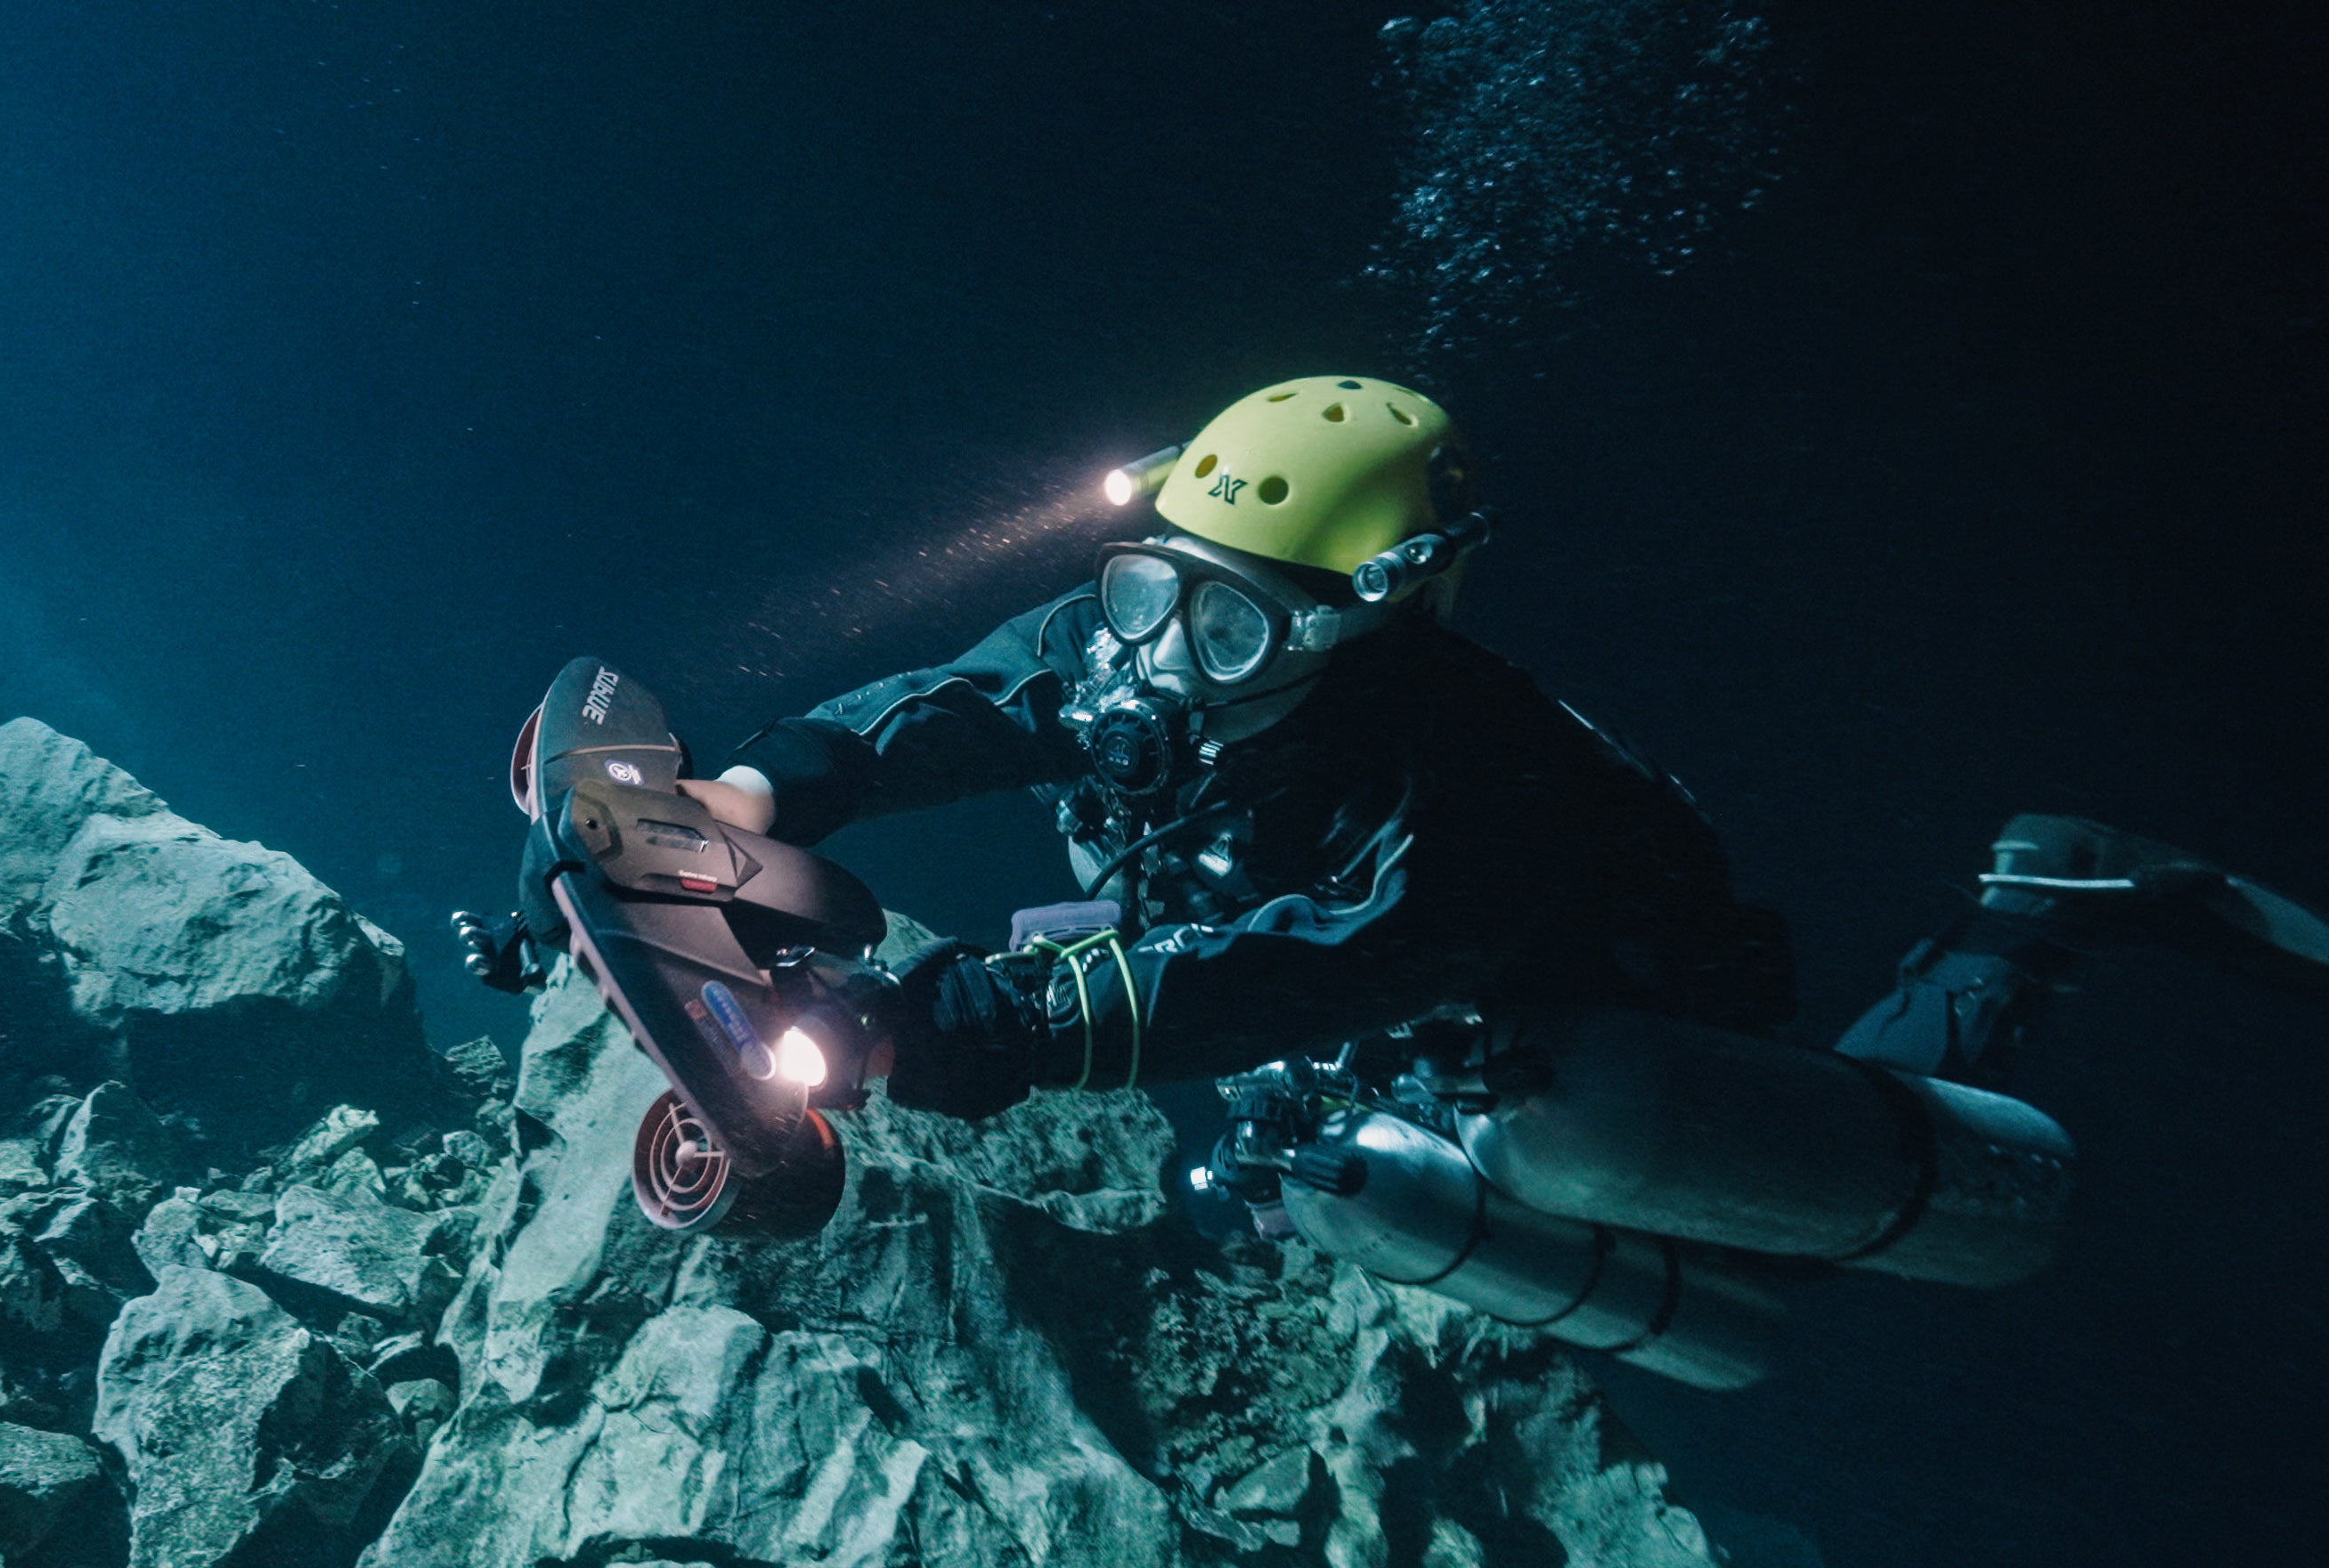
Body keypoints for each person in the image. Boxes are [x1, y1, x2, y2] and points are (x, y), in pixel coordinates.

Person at [463, 373, 2329, 1122]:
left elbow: (1333, 956)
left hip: (1603, 999)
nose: (1164, 661)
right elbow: (953, 704)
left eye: (1238, 624)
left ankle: (2038, 906)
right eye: (1147, 595)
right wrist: (752, 798)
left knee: (1782, 1167)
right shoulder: (1150, 620)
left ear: (1380, 612)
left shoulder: (1472, 785)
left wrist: (972, 1031)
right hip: (1300, 966)